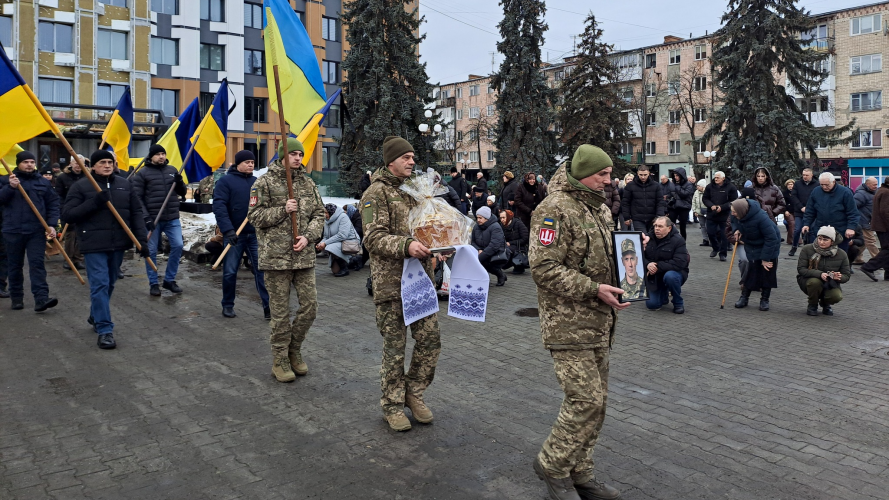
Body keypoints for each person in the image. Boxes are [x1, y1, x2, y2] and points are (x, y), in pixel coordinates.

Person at [530, 144, 632, 500]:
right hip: (568, 324)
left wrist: (632, 256)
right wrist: (592, 289)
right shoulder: (554, 209)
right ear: (582, 172)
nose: (609, 180)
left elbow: (601, 259)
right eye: (602, 174)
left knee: (598, 402)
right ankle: (553, 465)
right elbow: (543, 268)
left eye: (609, 173)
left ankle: (581, 472)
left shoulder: (599, 208)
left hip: (600, 322)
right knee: (584, 400)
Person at [360, 135, 441, 432]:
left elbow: (428, 225)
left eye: (412, 157)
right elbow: (372, 237)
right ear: (391, 160)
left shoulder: (415, 191)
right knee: (395, 348)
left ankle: (414, 393)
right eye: (406, 157)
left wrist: (440, 242)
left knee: (430, 341)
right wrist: (406, 246)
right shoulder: (374, 193)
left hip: (420, 281)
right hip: (391, 284)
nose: (412, 161)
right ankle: (392, 405)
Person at [249, 138, 326, 383]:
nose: (297, 158)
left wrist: (308, 237)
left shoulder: (307, 182)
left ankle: (294, 348)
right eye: (292, 154)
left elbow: (318, 214)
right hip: (276, 259)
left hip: (303, 256)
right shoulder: (264, 182)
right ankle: (280, 358)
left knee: (310, 308)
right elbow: (255, 216)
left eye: (300, 155)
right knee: (280, 314)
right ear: (282, 155)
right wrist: (283, 209)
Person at [62, 150, 149, 349]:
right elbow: (68, 215)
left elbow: (136, 213)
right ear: (92, 166)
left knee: (109, 283)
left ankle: (95, 314)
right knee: (100, 284)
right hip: (93, 244)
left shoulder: (125, 185)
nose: (107, 165)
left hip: (118, 243)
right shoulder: (81, 186)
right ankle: (105, 330)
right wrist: (94, 202)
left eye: (110, 162)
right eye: (102, 162)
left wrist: (141, 241)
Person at [212, 150, 271, 320]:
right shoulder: (225, 182)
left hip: (254, 234)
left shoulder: (256, 183)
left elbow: (262, 205)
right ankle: (228, 305)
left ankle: (268, 307)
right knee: (230, 271)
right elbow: (219, 207)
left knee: (262, 271)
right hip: (234, 235)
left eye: (252, 162)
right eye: (247, 162)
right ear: (238, 164)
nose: (250, 165)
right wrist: (228, 230)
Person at [0, 151, 60, 312]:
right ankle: (17, 298)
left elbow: (53, 204)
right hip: (12, 230)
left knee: (37, 264)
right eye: (25, 162)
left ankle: (41, 299)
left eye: (32, 162)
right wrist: (10, 187)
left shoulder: (42, 182)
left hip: (36, 231)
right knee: (14, 266)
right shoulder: (6, 180)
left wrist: (52, 224)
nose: (29, 165)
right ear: (18, 163)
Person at [131, 144, 187, 296]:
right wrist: (146, 217)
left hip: (172, 217)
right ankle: (153, 283)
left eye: (163, 153)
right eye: (158, 154)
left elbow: (182, 192)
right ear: (151, 156)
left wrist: (180, 181)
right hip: (153, 220)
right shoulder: (143, 173)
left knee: (178, 245)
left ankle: (169, 280)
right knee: (151, 251)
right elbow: (137, 198)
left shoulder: (172, 170)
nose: (161, 156)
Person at [731, 198, 781, 311]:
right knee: (752, 271)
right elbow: (734, 221)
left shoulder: (761, 218)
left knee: (767, 272)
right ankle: (744, 297)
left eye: (734, 211)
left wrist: (765, 258)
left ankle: (764, 299)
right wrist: (737, 230)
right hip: (753, 245)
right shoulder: (737, 214)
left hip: (770, 245)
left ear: (742, 211)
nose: (732, 213)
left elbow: (772, 238)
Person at [797, 226, 851, 316]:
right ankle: (812, 305)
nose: (821, 242)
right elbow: (801, 269)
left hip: (830, 283)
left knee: (836, 296)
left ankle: (825, 303)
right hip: (808, 280)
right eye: (819, 238)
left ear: (832, 241)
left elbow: (846, 275)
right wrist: (820, 274)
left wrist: (838, 277)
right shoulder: (807, 249)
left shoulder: (841, 254)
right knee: (815, 282)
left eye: (825, 240)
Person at [801, 173, 858, 253]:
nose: (824, 187)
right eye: (822, 184)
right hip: (821, 229)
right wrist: (806, 224)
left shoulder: (845, 192)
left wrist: (851, 228)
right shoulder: (816, 191)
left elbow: (852, 212)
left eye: (827, 185)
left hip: (840, 231)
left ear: (834, 182)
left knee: (839, 256)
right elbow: (810, 210)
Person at [644, 216, 689, 314]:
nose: (656, 229)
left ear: (669, 228)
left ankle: (678, 302)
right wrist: (648, 264)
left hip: (675, 273)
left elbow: (679, 262)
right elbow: (638, 257)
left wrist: (657, 266)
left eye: (660, 226)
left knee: (670, 277)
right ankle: (663, 294)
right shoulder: (648, 239)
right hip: (655, 276)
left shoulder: (678, 240)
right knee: (652, 305)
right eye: (655, 226)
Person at [55, 157, 87, 270]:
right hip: (68, 209)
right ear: (71, 164)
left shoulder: (87, 177)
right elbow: (58, 195)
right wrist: (63, 209)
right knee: (70, 235)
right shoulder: (62, 177)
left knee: (80, 234)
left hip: (83, 209)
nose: (78, 166)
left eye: (81, 163)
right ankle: (68, 259)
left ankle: (78, 259)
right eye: (76, 163)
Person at [703, 171, 738, 261]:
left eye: (718, 177)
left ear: (723, 178)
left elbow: (733, 200)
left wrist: (722, 207)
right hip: (711, 214)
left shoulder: (731, 187)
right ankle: (715, 248)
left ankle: (723, 254)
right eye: (715, 177)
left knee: (724, 235)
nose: (716, 179)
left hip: (724, 215)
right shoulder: (710, 187)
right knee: (710, 233)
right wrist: (711, 205)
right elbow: (705, 198)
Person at [317, 203, 360, 277]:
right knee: (335, 271)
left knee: (329, 247)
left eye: (326, 212)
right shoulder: (326, 221)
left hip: (350, 241)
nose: (324, 214)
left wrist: (325, 243)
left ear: (331, 212)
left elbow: (342, 235)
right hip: (336, 243)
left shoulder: (343, 217)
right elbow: (326, 236)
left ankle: (345, 268)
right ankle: (352, 261)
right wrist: (320, 243)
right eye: (323, 212)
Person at [621, 164, 665, 233]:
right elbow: (625, 202)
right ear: (637, 174)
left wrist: (659, 216)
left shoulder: (656, 186)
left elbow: (660, 202)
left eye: (645, 175)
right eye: (641, 175)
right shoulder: (630, 186)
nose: (643, 177)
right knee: (643, 237)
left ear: (649, 174)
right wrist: (626, 217)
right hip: (637, 218)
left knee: (652, 239)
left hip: (653, 218)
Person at [861, 177, 889, 281]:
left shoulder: (881, 190)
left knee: (886, 249)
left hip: (880, 226)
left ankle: (888, 274)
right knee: (887, 250)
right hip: (884, 227)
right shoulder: (886, 192)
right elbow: (885, 212)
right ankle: (869, 267)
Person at [472, 206, 507, 286]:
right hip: (481, 250)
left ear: (486, 218)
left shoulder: (495, 227)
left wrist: (482, 254)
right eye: (477, 218)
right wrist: (478, 249)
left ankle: (500, 274)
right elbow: (473, 241)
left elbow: (494, 245)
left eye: (480, 218)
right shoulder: (476, 226)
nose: (478, 220)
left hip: (496, 252)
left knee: (481, 261)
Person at [789, 168, 817, 255]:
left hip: (812, 212)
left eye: (807, 175)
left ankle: (811, 248)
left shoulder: (817, 185)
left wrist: (809, 208)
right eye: (803, 175)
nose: (805, 177)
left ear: (811, 175)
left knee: (811, 231)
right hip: (799, 211)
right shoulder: (797, 184)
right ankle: (794, 246)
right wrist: (801, 207)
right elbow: (793, 196)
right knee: (797, 230)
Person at [854, 177, 880, 264]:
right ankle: (878, 261)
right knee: (871, 241)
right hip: (863, 222)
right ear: (868, 184)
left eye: (877, 184)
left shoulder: (873, 192)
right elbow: (853, 207)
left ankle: (857, 258)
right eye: (874, 184)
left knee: (864, 242)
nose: (876, 186)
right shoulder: (861, 194)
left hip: (868, 221)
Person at [668, 167, 695, 240]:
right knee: (671, 225)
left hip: (684, 207)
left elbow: (685, 194)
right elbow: (670, 193)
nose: (675, 177)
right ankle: (671, 241)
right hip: (673, 207)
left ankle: (683, 243)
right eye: (674, 175)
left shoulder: (688, 184)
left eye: (677, 175)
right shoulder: (672, 183)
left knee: (683, 226)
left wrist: (677, 186)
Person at [499, 210, 528, 274]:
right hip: (507, 245)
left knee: (509, 250)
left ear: (509, 217)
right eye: (500, 218)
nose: (502, 220)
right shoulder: (501, 225)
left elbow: (525, 238)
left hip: (520, 246)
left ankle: (518, 265)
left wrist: (511, 243)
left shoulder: (518, 223)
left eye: (504, 217)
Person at [692, 179, 709, 246]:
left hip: (707, 212)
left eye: (699, 186)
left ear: (703, 186)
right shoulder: (696, 192)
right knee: (702, 226)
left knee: (708, 226)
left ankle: (711, 240)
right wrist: (694, 211)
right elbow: (693, 202)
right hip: (699, 212)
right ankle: (705, 240)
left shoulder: (708, 192)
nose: (697, 187)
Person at [782, 179, 796, 245]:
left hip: (796, 211)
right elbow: (782, 203)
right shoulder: (784, 193)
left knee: (794, 226)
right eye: (789, 184)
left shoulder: (796, 192)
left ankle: (790, 240)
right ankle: (796, 240)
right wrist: (785, 211)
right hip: (788, 212)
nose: (790, 186)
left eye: (791, 184)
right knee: (792, 224)